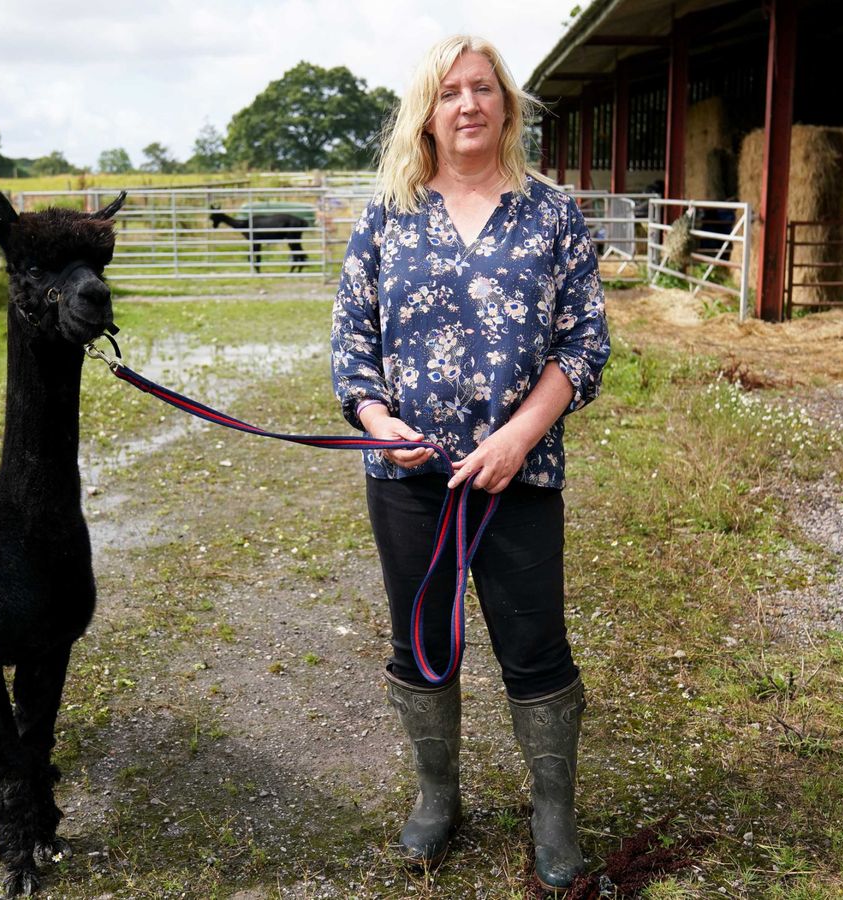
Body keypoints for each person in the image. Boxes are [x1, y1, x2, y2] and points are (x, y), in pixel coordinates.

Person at [330, 34, 611, 890]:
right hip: (409, 481)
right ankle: (437, 794)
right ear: (427, 112)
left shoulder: (551, 213)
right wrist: (378, 421)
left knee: (535, 645)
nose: (468, 105)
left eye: (483, 88)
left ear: (507, 105)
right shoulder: (387, 215)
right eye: (450, 92)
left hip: (517, 475)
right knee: (421, 643)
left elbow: (582, 343)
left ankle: (553, 812)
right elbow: (352, 345)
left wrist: (519, 436)